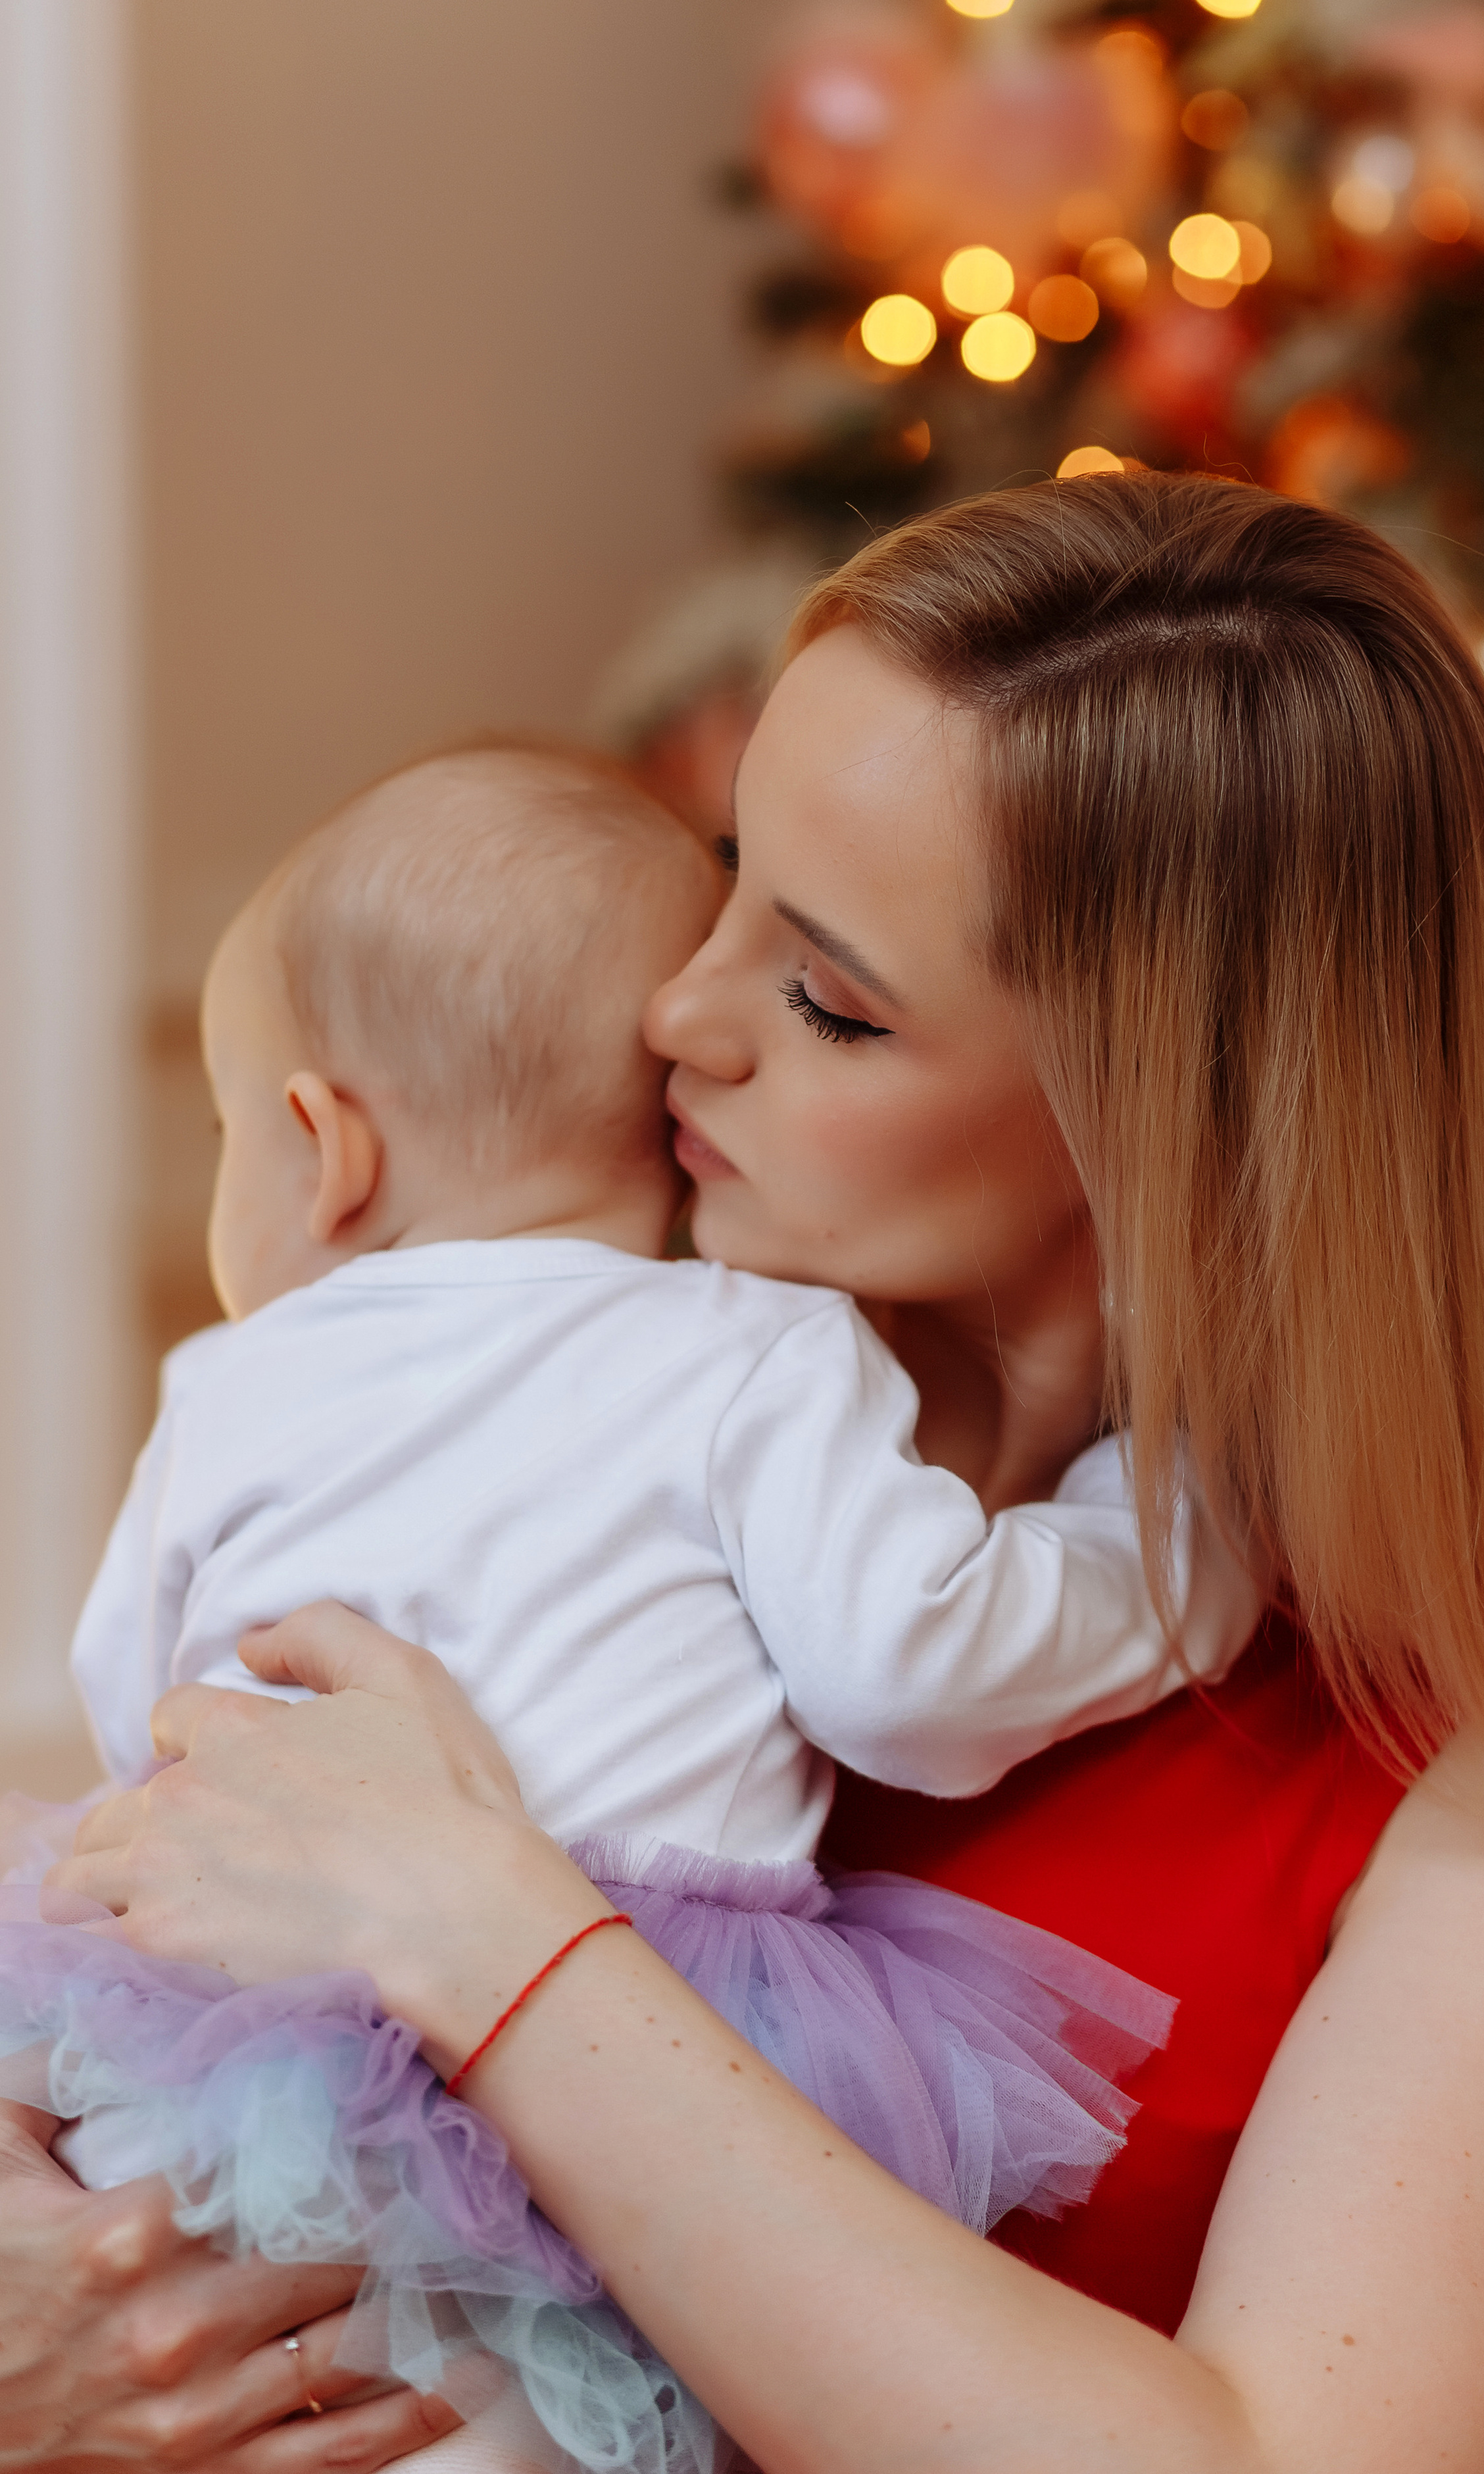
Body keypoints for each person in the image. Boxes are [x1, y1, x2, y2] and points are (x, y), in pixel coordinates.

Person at [13, 468, 1484, 2473]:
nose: (678, 1011)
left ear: (1168, 1132)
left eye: (826, 997)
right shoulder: (559, 1381)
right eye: (720, 878)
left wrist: (493, 1939)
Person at [0, 737, 1256, 2471]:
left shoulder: (231, 1378)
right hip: (637, 2093)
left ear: (321, 1145)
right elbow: (911, 1671)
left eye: (824, 984)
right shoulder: (752, 1353)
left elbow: (140, 1697)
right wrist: (1163, 1536)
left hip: (243, 2059)